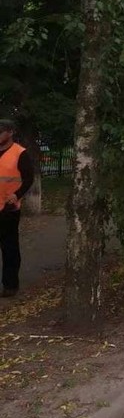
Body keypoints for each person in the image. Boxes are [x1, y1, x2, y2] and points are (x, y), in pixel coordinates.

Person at [0, 119, 34, 298]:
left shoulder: (20, 153)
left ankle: (10, 285)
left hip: (8, 208)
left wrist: (17, 194)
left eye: (1, 131)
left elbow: (28, 178)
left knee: (9, 247)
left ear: (10, 132)